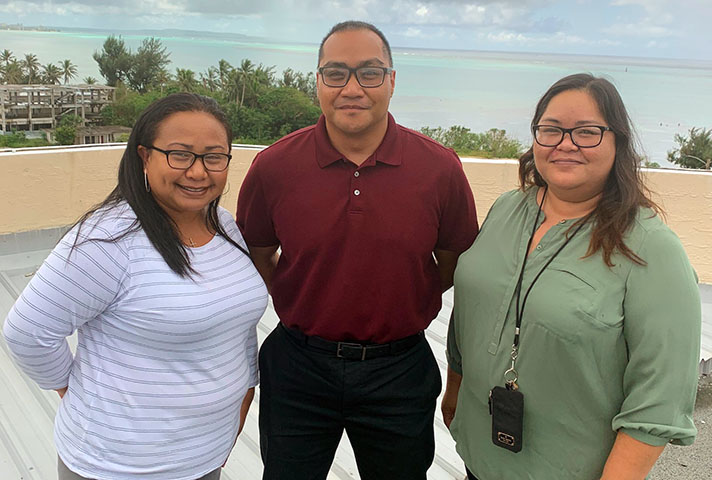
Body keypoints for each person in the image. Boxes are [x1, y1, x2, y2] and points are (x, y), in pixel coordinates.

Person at [237, 20, 478, 480]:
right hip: (298, 367)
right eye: (336, 73)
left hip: (399, 371)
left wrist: (401, 297)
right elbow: (257, 253)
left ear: (391, 81)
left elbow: (455, 263)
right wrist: (304, 294)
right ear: (318, 82)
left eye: (369, 73)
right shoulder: (274, 166)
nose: (352, 88)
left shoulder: (439, 168)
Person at [442, 73, 701, 479]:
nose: (566, 143)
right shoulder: (508, 209)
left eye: (587, 132)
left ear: (618, 142)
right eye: (551, 129)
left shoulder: (651, 249)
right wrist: (454, 387)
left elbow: (659, 400)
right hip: (479, 459)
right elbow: (471, 310)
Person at [3, 93, 268, 480]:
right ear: (144, 156)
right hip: (119, 465)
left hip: (204, 455)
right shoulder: (108, 240)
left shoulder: (224, 225)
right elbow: (28, 333)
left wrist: (243, 396)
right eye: (180, 155)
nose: (198, 172)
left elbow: (238, 325)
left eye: (214, 157)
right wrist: (73, 392)